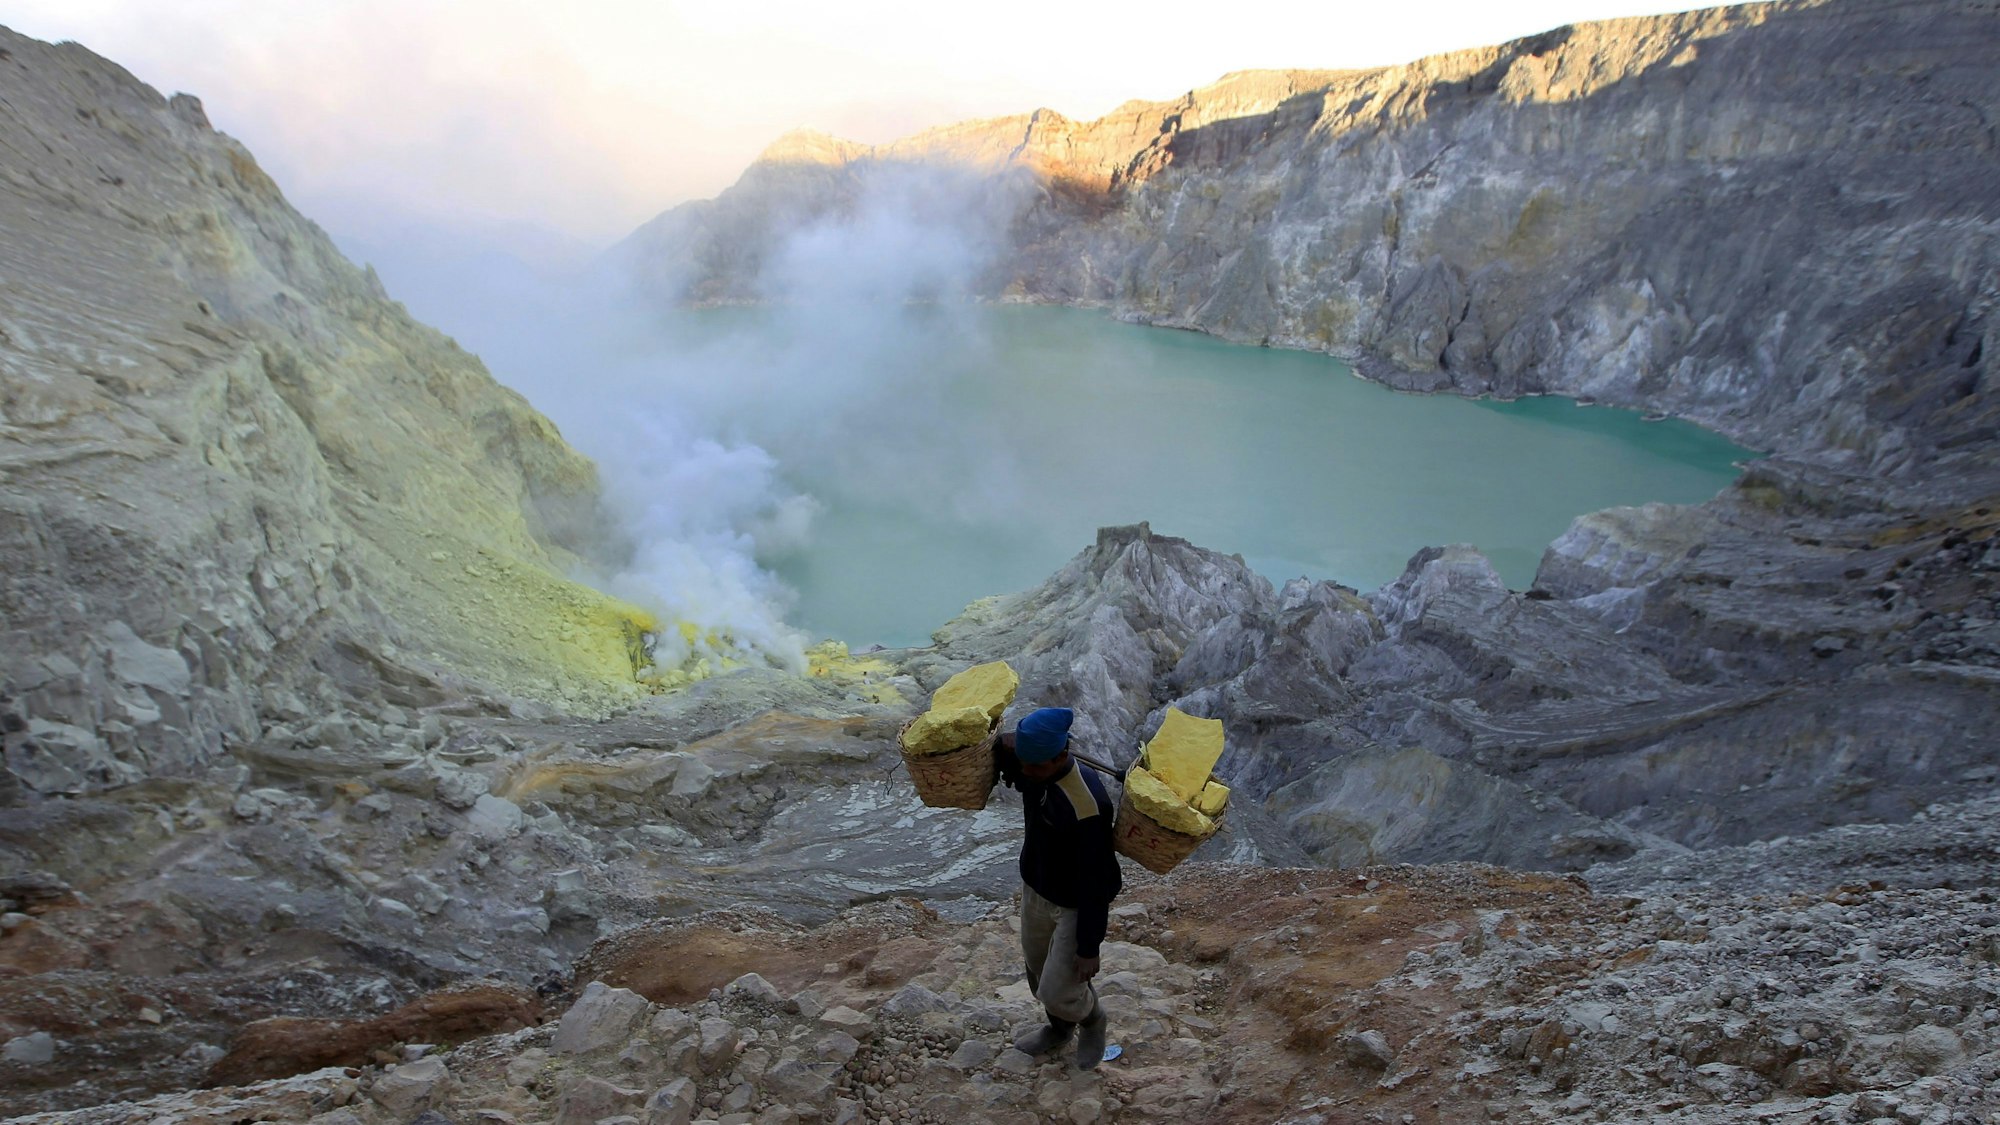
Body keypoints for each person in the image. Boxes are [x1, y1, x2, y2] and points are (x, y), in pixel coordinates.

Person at [996, 706, 1121, 1069]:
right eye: (1024, 765)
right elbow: (1011, 755)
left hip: (1075, 903)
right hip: (1036, 888)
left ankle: (1093, 1020)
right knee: (1037, 973)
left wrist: (1089, 946)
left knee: (1058, 988)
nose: (1027, 775)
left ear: (1062, 755)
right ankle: (1059, 1029)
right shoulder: (1031, 764)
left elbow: (1096, 883)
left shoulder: (1088, 806)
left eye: (1036, 768)